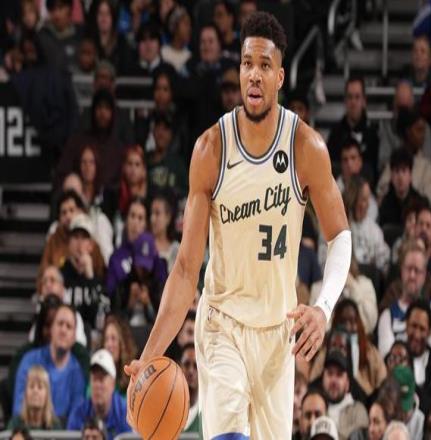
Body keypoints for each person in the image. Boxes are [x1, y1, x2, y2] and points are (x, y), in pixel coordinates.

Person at [125, 11, 351, 440]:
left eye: (265, 65)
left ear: (280, 76)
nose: (254, 75)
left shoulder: (306, 147)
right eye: (248, 63)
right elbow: (186, 269)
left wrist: (323, 308)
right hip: (222, 325)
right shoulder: (211, 149)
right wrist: (149, 355)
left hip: (276, 335)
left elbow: (340, 236)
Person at [13, 305, 86, 423]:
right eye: (60, 324)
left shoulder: (77, 372)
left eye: (68, 326)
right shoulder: (29, 361)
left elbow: (76, 419)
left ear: (74, 337)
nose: (63, 330)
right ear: (51, 329)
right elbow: (18, 409)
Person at [67, 349, 131, 438]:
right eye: (94, 379)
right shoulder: (78, 413)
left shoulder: (125, 414)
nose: (97, 385)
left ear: (112, 384)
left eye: (101, 379)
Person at [322, 350, 368, 439]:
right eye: (330, 373)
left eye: (339, 374)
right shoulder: (315, 409)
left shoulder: (358, 410)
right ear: (323, 379)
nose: (333, 380)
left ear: (347, 383)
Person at [8, 365, 61, 430]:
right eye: (31, 386)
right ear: (25, 393)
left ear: (47, 395)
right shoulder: (15, 424)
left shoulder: (55, 426)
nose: (35, 391)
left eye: (40, 387)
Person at [101, 315, 137, 395]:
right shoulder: (97, 374)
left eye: (113, 338)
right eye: (106, 339)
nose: (109, 344)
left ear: (123, 343)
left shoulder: (133, 378)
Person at [180, 343, 201, 434]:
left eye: (196, 366)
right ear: (179, 367)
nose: (191, 371)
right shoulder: (166, 408)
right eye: (186, 364)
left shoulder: (208, 412)